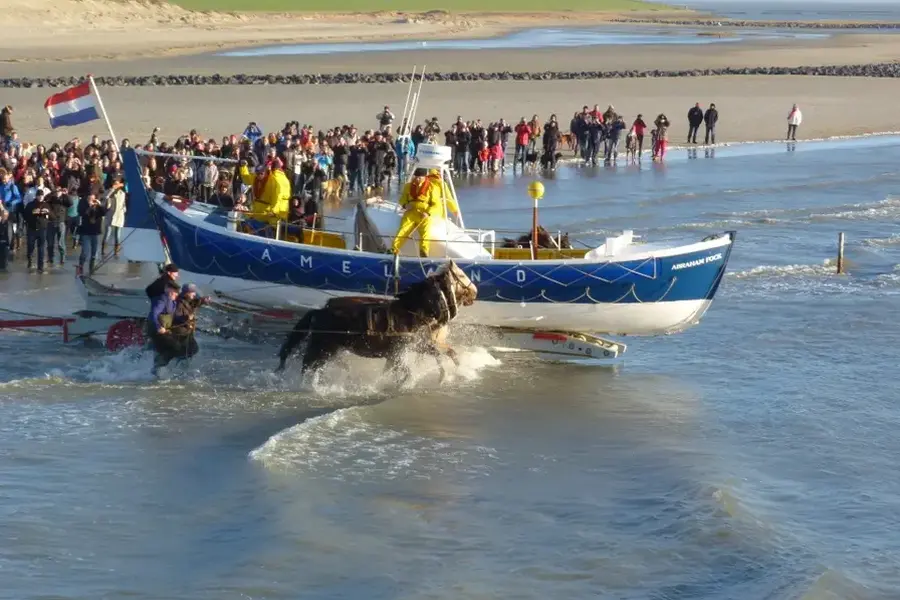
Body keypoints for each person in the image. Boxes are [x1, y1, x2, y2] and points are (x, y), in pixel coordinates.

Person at [391, 168, 442, 257]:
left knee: (425, 234)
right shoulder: (408, 186)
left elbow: (436, 204)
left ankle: (424, 252)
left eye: (420, 177)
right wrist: (405, 205)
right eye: (416, 177)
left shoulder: (431, 187)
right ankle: (394, 250)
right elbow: (402, 199)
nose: (417, 179)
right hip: (411, 213)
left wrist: (428, 213)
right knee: (402, 231)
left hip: (424, 214)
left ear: (425, 177)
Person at [238, 157, 291, 225]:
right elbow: (246, 178)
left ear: (265, 172)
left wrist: (274, 211)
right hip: (257, 209)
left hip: (266, 212)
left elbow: (277, 197)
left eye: (261, 173)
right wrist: (243, 167)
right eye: (257, 173)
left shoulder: (272, 180)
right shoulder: (255, 178)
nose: (259, 175)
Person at [77, 192, 107, 275]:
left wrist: (100, 205)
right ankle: (80, 267)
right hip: (86, 232)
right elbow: (82, 212)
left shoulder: (98, 207)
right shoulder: (83, 205)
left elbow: (104, 213)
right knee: (85, 252)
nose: (91, 201)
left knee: (94, 253)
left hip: (95, 232)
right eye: (89, 199)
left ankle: (91, 269)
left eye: (93, 199)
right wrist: (89, 206)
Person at [24, 189, 51, 273]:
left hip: (42, 229)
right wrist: (32, 213)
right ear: (36, 196)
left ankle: (40, 267)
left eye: (41, 195)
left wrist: (48, 213)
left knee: (41, 248)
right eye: (39, 195)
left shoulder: (46, 205)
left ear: (43, 196)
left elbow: (53, 216)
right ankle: (30, 258)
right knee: (30, 246)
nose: (40, 197)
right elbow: (25, 216)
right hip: (32, 229)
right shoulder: (30, 205)